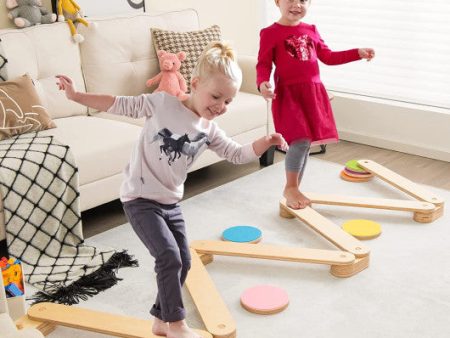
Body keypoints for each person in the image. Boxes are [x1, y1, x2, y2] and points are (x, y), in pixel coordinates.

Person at [56, 41, 288, 338]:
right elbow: (116, 103)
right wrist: (76, 95)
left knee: (184, 261)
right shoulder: (162, 104)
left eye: (228, 101)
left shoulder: (209, 129)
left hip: (170, 202)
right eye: (216, 96)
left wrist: (265, 142)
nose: (221, 106)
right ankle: (177, 324)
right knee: (168, 256)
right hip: (139, 198)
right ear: (194, 84)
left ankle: (160, 319)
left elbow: (236, 154)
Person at [257, 0, 375, 209]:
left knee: (305, 144)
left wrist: (357, 52)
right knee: (299, 140)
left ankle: (294, 188)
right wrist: (263, 83)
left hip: (312, 93)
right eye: (290, 0)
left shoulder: (311, 30)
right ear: (277, 2)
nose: (296, 4)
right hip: (289, 95)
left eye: (302, 0)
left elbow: (328, 57)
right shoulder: (269, 33)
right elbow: (264, 63)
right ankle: (291, 187)